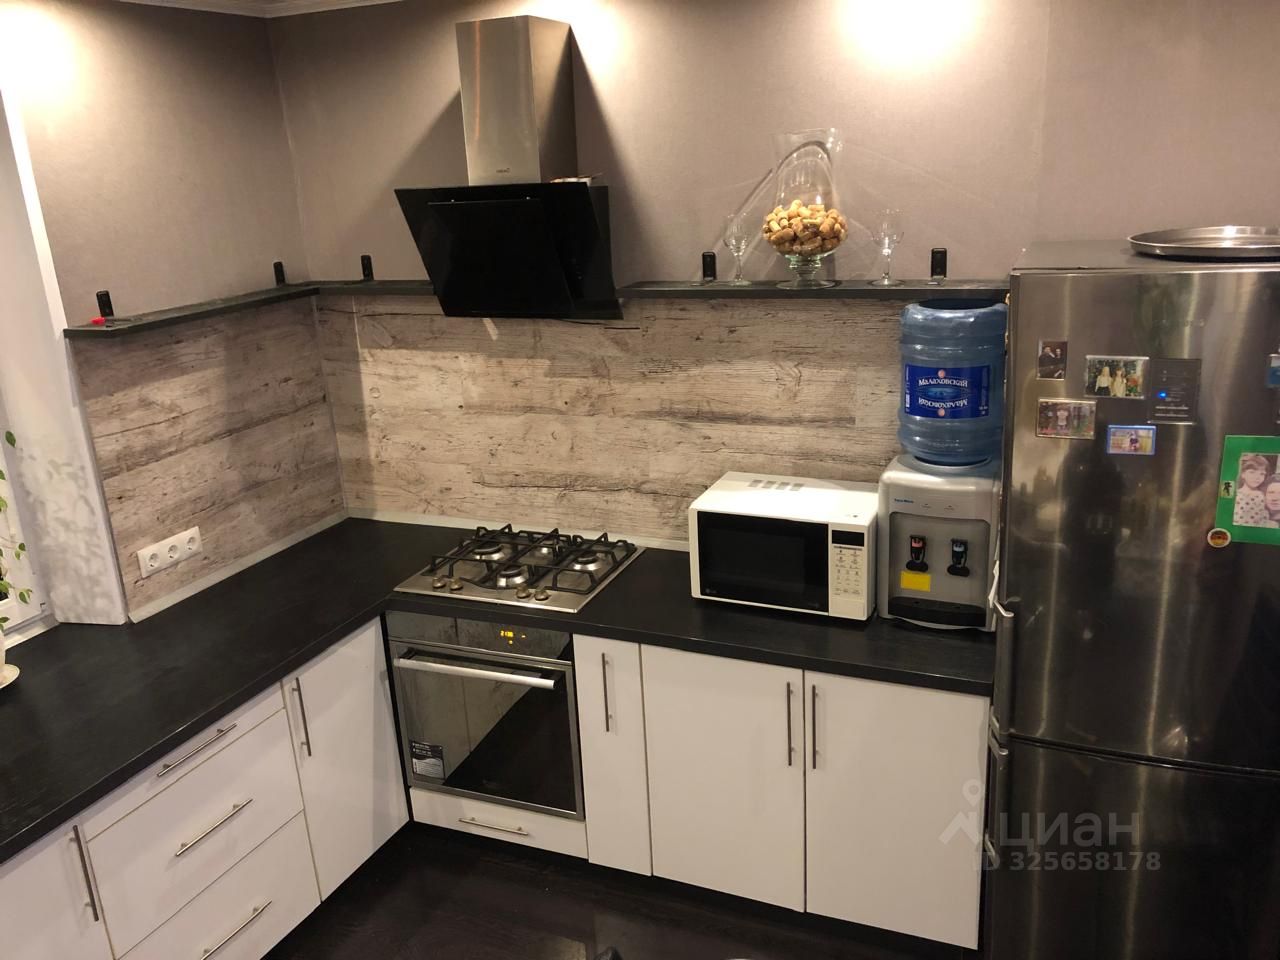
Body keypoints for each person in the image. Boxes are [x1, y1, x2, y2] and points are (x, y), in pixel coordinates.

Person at [1234, 455, 1272, 527]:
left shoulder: (1263, 495)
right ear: (1243, 474)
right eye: (1252, 472)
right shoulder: (1236, 495)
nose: (1257, 477)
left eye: (1262, 474)